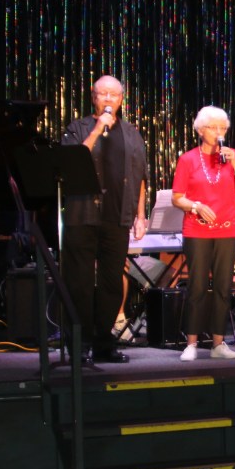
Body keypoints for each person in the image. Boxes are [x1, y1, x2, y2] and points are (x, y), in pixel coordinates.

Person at [60, 75, 147, 364]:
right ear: (94, 97)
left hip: (117, 216)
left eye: (114, 95)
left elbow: (141, 177)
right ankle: (79, 344)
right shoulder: (77, 128)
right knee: (80, 283)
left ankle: (103, 343)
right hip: (82, 215)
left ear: (121, 99)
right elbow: (72, 162)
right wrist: (98, 129)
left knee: (112, 283)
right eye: (103, 94)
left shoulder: (132, 134)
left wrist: (140, 216)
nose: (109, 99)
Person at [171, 106, 235, 362]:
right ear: (200, 130)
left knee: (222, 287)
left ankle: (218, 343)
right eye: (213, 127)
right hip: (197, 230)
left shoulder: (233, 155)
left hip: (228, 229)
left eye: (223, 128)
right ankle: (192, 343)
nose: (219, 132)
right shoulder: (188, 159)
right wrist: (196, 206)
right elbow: (177, 198)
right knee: (196, 286)